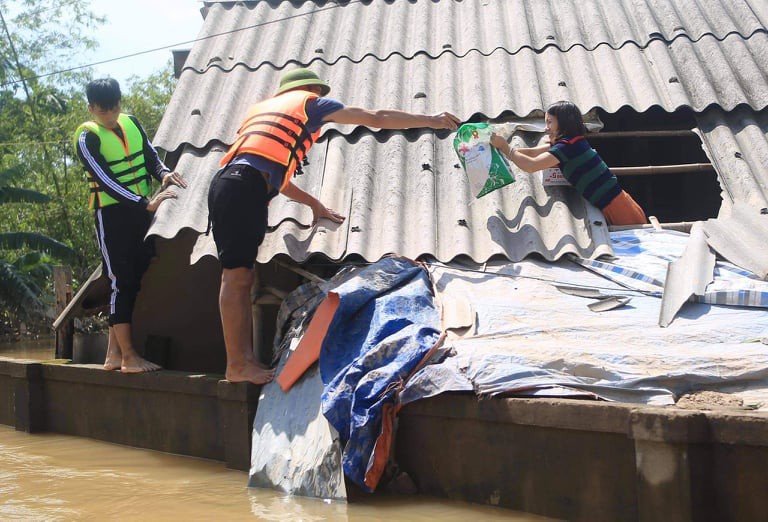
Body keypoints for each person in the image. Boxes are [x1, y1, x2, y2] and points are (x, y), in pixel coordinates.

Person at [208, 68, 461, 385]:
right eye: (319, 91)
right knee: (236, 278)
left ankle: (243, 362)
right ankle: (237, 364)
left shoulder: (265, 112)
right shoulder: (311, 104)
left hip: (234, 185)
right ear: (310, 89)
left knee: (241, 278)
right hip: (242, 189)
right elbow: (375, 116)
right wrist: (432, 119)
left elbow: (270, 172)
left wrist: (313, 204)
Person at [74, 78, 187, 373]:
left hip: (140, 211)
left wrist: (163, 173)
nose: (110, 116)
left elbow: (150, 156)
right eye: (103, 112)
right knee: (119, 282)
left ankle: (113, 354)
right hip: (112, 216)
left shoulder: (132, 123)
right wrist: (142, 203)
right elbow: (105, 179)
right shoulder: (87, 138)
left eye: (114, 108)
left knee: (134, 279)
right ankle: (129, 357)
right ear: (91, 109)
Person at [490, 100, 647, 226]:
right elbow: (532, 152)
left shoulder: (567, 147)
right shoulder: (570, 143)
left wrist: (505, 147)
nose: (546, 129)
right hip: (618, 203)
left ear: (564, 123)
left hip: (619, 208)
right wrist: (501, 150)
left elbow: (531, 165)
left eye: (549, 122)